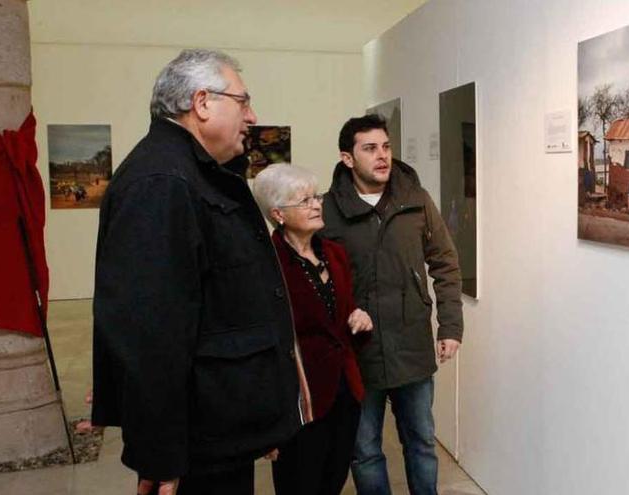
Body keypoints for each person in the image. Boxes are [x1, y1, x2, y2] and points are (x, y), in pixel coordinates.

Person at [92, 49, 307, 495]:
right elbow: (148, 332)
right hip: (194, 443)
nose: (252, 115)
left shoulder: (195, 173)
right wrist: (160, 453)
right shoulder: (162, 182)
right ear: (202, 102)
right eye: (243, 101)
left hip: (218, 424)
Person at [321, 114, 464, 495]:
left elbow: (445, 263)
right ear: (347, 158)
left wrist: (450, 326)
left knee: (420, 442)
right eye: (370, 149)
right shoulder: (327, 210)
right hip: (358, 352)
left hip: (411, 344)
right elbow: (312, 276)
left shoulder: (415, 200)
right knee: (364, 450)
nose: (382, 156)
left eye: (385, 147)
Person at [252, 163, 374, 495]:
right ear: (278, 213)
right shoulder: (266, 265)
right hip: (300, 399)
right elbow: (264, 344)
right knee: (299, 483)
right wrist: (266, 420)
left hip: (345, 391)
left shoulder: (335, 253)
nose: (316, 204)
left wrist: (360, 318)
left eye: (315, 196)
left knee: (333, 479)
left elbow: (344, 316)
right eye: (304, 200)